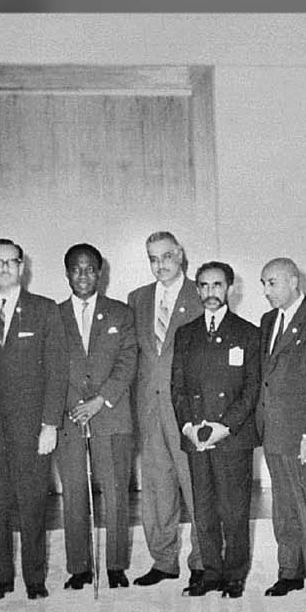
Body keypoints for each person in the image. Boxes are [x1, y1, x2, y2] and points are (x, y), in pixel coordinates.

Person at [0, 240, 63, 600]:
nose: (5, 268)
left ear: (23, 267)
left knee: (34, 504)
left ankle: (34, 579)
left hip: (32, 429)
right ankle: (0, 578)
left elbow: (56, 370)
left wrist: (50, 424)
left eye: (12, 262)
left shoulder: (44, 310)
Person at [171, 261, 262, 597]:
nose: (211, 293)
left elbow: (253, 388)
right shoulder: (186, 333)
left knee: (234, 509)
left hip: (231, 436)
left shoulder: (248, 333)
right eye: (204, 286)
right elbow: (176, 387)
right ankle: (211, 572)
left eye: (218, 285)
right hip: (196, 435)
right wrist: (188, 427)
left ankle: (235, 573)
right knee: (204, 508)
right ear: (197, 290)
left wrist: (226, 426)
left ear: (231, 289)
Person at [54, 243, 139, 591]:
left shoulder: (120, 313)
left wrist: (100, 401)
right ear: (67, 274)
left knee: (117, 492)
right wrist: (77, 404)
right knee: (74, 493)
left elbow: (128, 361)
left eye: (90, 269)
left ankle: (116, 565)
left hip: (111, 415)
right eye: (77, 269)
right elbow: (51, 368)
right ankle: (79, 567)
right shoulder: (54, 315)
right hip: (70, 418)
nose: (84, 275)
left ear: (100, 272)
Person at [127, 231, 205, 587]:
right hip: (149, 407)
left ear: (180, 255)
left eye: (166, 256)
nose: (160, 265)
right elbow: (132, 356)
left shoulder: (200, 293)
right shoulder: (138, 299)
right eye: (153, 259)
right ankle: (163, 560)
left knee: (197, 485)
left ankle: (203, 561)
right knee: (157, 488)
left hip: (188, 409)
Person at [256, 258, 306, 597]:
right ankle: (289, 571)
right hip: (273, 429)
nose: (266, 291)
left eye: (272, 283)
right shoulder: (268, 320)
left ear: (293, 281)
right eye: (263, 283)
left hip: (302, 432)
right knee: (283, 506)